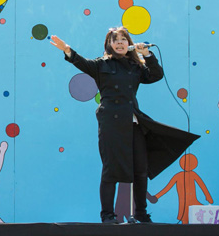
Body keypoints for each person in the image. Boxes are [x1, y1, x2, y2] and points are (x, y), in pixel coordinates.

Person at [50, 27, 200, 224]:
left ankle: (141, 214)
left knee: (141, 169)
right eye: (115, 40)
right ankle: (108, 215)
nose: (120, 43)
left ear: (128, 43)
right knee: (111, 169)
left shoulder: (134, 66)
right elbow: (82, 63)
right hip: (111, 123)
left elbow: (155, 75)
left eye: (123, 39)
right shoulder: (101, 64)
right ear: (109, 44)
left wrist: (147, 54)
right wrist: (67, 50)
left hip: (133, 121)